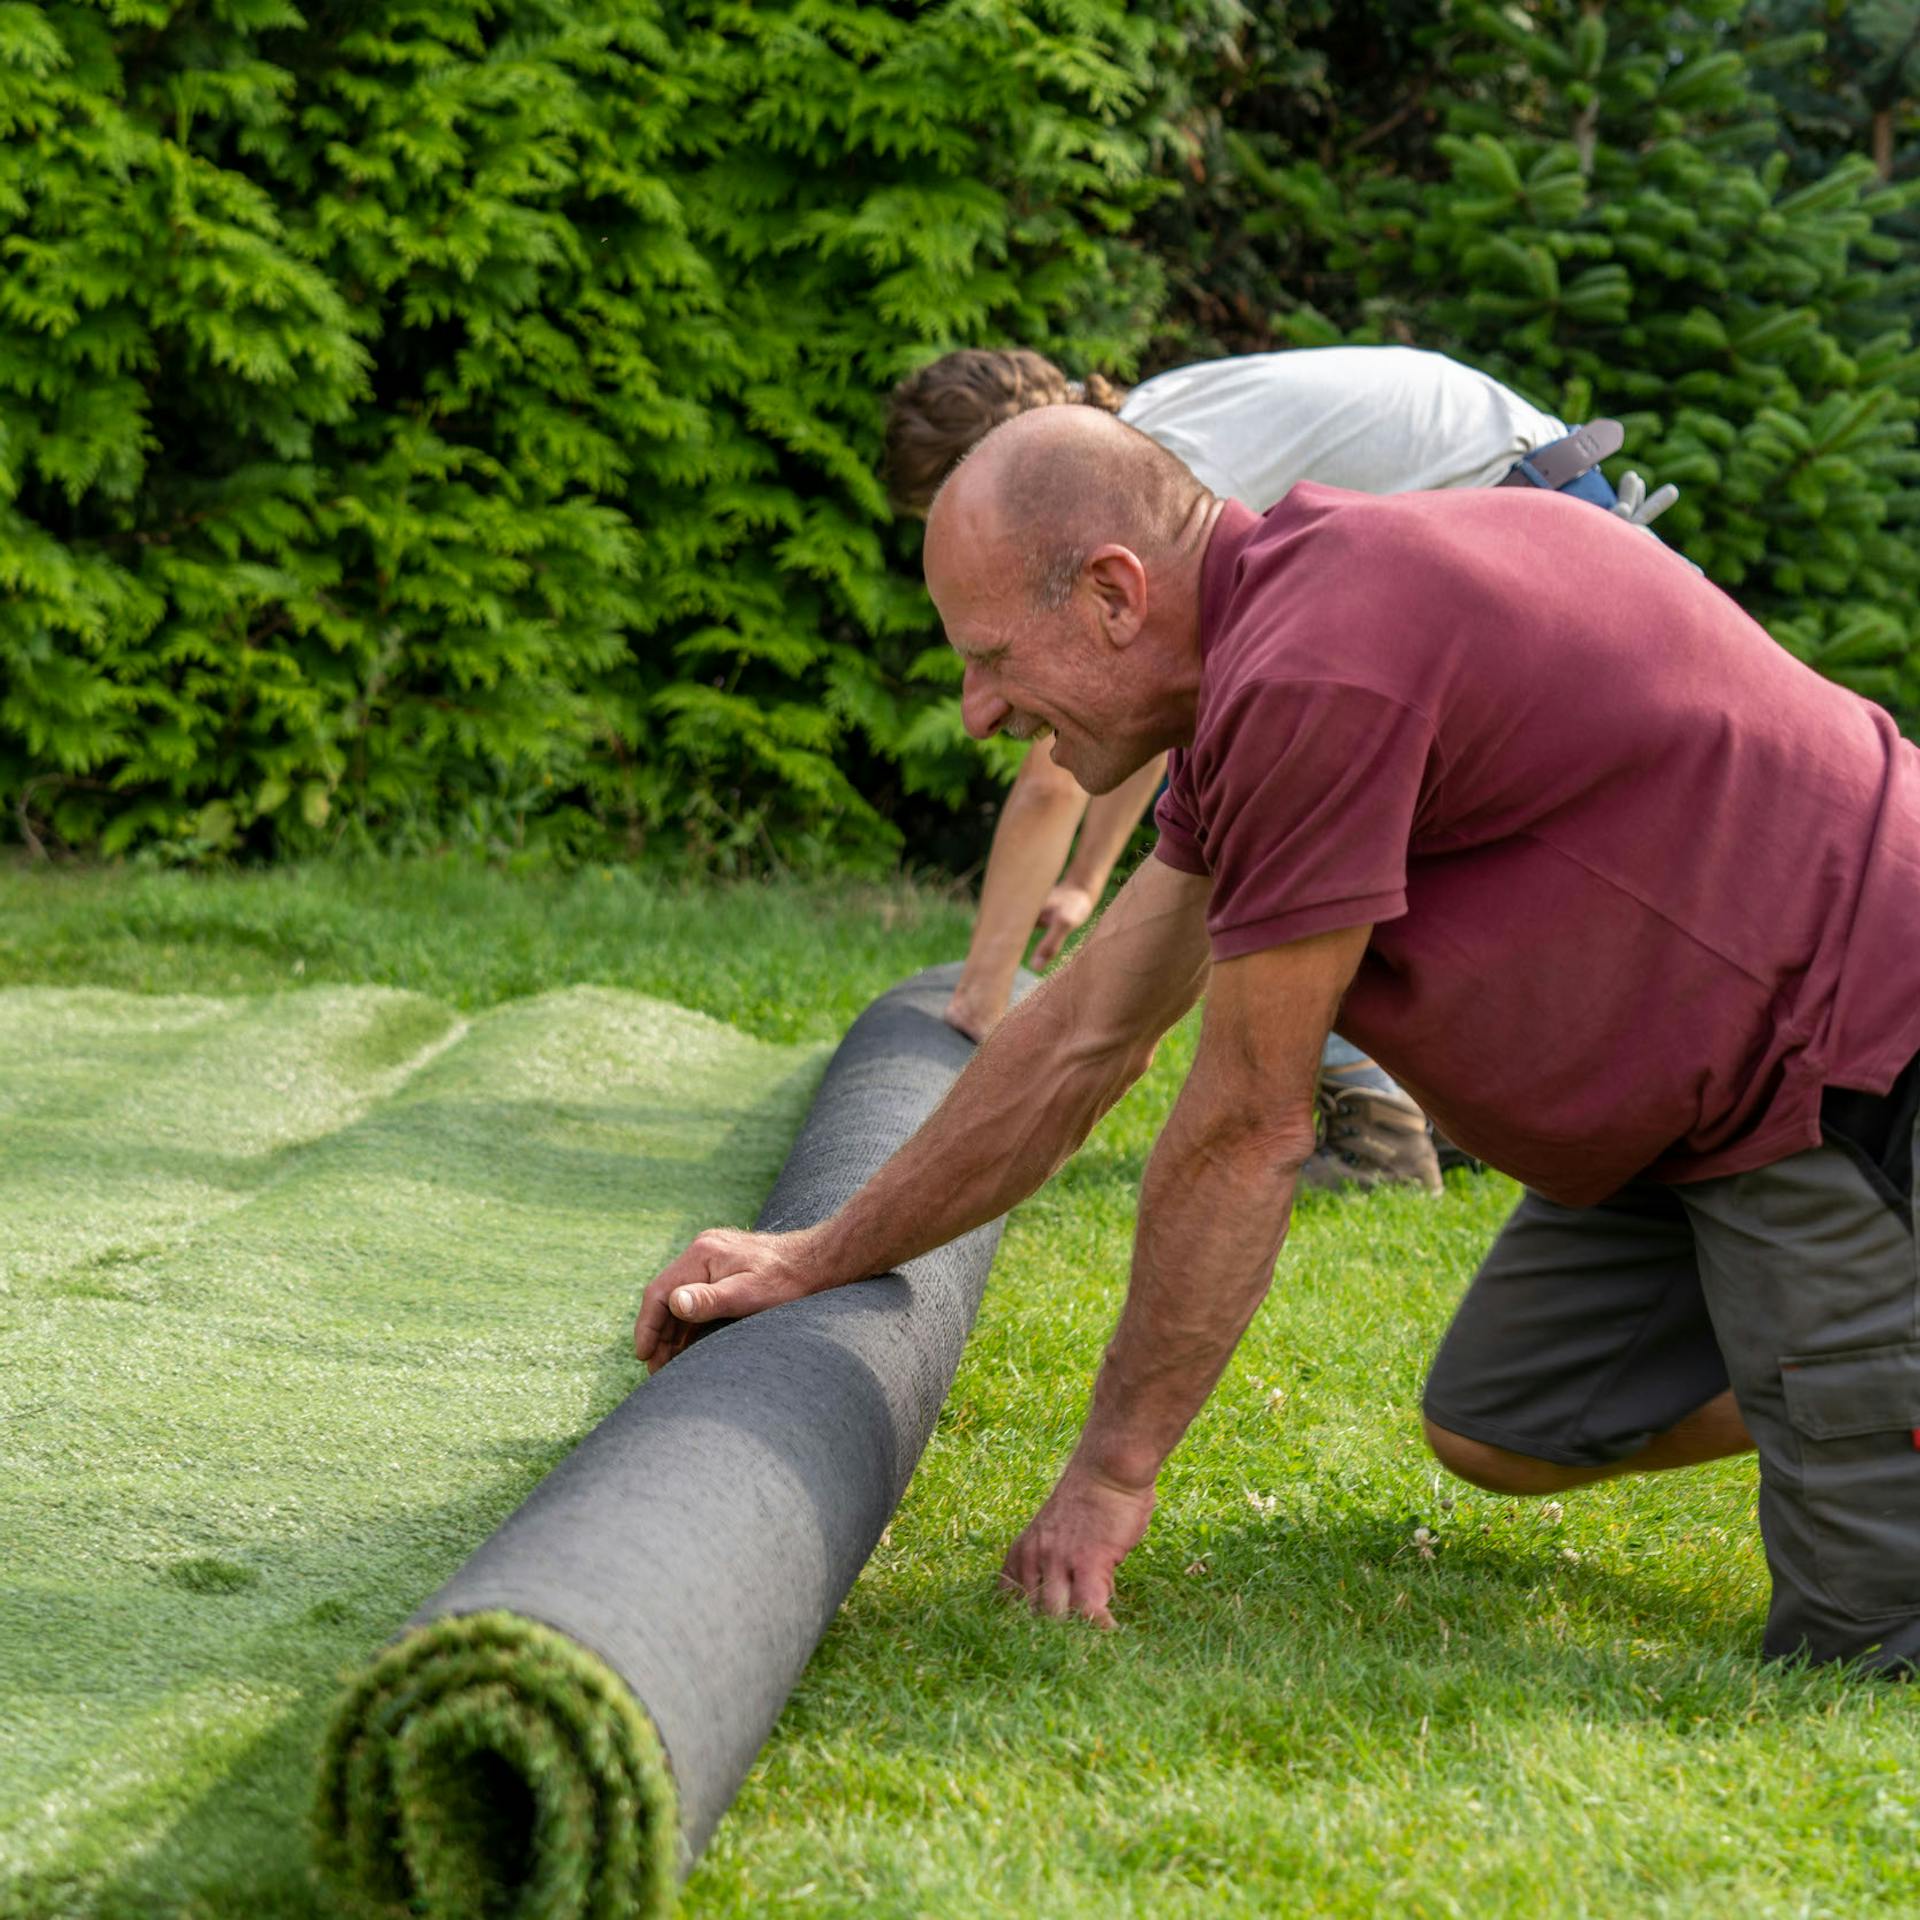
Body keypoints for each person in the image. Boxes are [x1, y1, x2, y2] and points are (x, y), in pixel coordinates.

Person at [638, 404, 1920, 1669]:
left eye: (992, 658)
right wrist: (817, 1256)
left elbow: (1247, 1126)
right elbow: (1092, 1029)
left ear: (1113, 593)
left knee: (1869, 1649)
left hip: (1853, 1059)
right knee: (1513, 1423)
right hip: (1690, 1118)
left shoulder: (1320, 662)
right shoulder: (1268, 660)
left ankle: (1868, 1385)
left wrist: (1110, 1475)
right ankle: (1847, 1376)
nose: (979, 712)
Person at [887, 345, 1676, 1193]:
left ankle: (1381, 1124)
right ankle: (1436, 1111)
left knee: (1287, 820)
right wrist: (1084, 883)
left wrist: (981, 992)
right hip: (1542, 502)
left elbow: (1057, 773)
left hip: (1537, 523)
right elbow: (1152, 701)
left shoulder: (1140, 471)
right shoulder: (1143, 438)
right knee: (1275, 799)